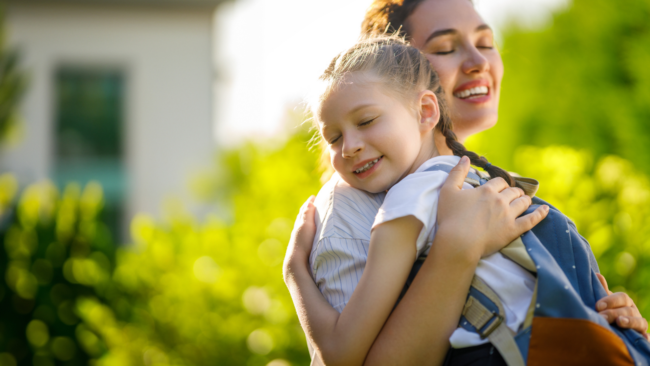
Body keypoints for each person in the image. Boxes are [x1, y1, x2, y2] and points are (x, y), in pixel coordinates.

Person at [283, 1, 648, 365]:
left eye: (486, 42)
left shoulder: (481, 187)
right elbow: (341, 357)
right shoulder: (357, 204)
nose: (479, 61)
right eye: (444, 48)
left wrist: (613, 326)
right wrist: (456, 249)